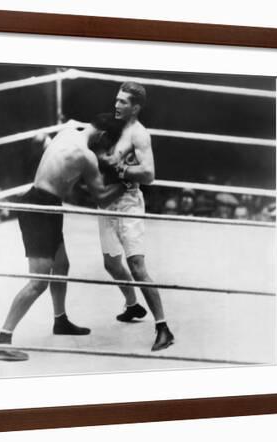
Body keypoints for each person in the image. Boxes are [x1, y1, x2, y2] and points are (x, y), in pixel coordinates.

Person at [0, 115, 127, 361]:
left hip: (44, 203)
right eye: (108, 145)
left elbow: (75, 122)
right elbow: (102, 198)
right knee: (38, 282)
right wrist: (127, 183)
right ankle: (3, 338)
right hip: (41, 208)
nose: (106, 151)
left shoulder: (68, 131)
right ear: (104, 137)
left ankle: (60, 320)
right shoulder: (85, 156)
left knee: (61, 264)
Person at [97, 82, 174, 352]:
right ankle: (132, 306)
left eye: (123, 102)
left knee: (137, 267)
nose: (117, 105)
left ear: (136, 107)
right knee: (110, 263)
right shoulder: (113, 127)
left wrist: (118, 171)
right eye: (116, 100)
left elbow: (149, 174)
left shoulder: (139, 134)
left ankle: (163, 328)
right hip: (107, 202)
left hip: (128, 203)